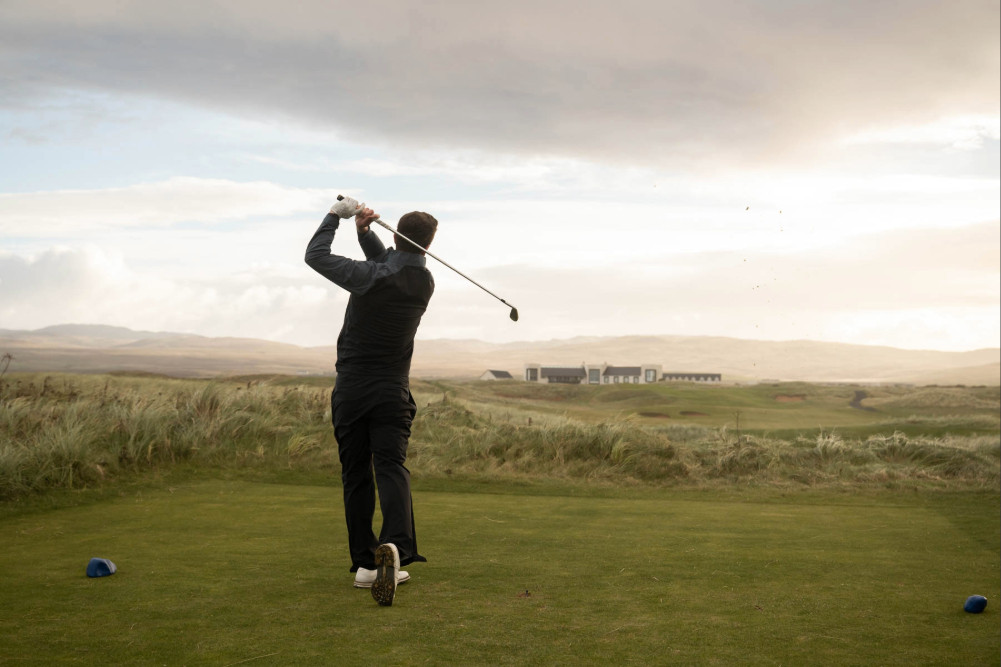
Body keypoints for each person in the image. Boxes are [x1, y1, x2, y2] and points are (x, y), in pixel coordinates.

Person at [304, 197, 437, 606]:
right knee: (391, 467)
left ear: (398, 234)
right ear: (429, 244)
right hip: (391, 392)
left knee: (356, 474)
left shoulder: (370, 276)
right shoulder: (424, 281)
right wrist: (366, 234)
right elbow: (394, 266)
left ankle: (365, 563)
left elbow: (315, 255)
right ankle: (394, 548)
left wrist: (335, 217)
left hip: (353, 390)